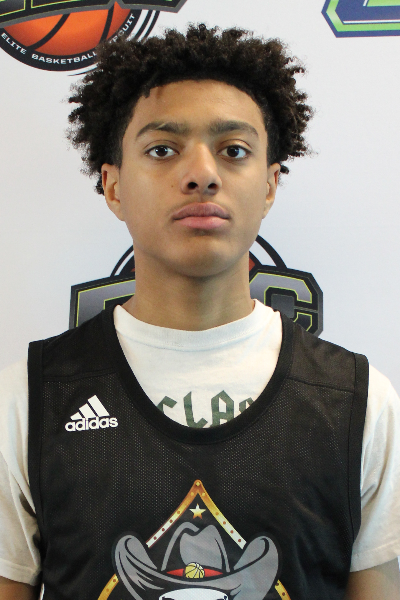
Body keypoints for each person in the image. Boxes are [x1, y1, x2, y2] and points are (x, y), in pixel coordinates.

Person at [0, 24, 399, 600]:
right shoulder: (28, 400)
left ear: (269, 185)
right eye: (163, 149)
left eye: (233, 150)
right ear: (113, 186)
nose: (202, 173)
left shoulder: (360, 403)